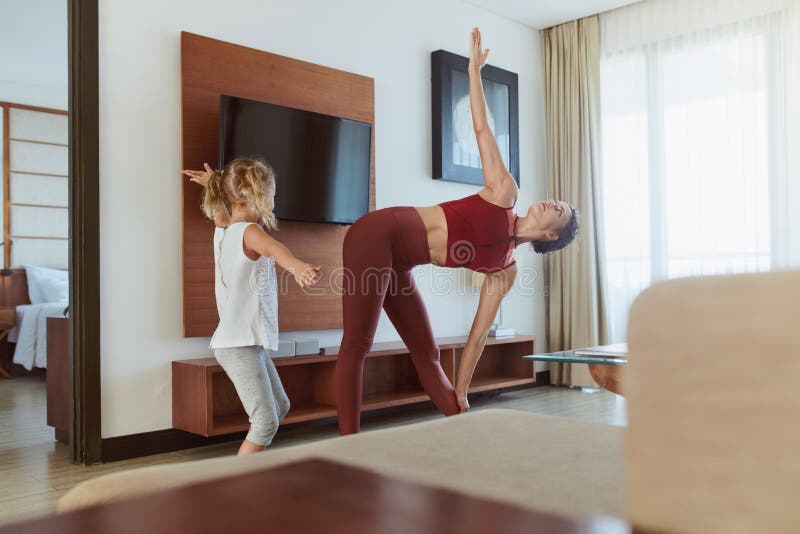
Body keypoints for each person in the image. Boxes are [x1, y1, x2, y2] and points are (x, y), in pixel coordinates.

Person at [334, 28, 580, 435]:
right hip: (374, 235)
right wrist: (473, 73)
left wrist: (463, 391)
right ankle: (347, 447)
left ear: (553, 235)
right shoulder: (505, 193)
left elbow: (479, 334)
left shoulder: (506, 269)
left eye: (561, 211)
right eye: (557, 200)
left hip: (398, 263)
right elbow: (483, 132)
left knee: (428, 353)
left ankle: (461, 424)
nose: (554, 202)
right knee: (358, 344)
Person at [183, 158, 321, 455]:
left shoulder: (223, 231)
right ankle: (239, 488)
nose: (273, 203)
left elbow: (221, 214)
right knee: (265, 422)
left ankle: (256, 471)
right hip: (238, 343)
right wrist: (297, 267)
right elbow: (275, 249)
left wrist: (214, 186)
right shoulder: (249, 232)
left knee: (280, 407)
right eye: (272, 197)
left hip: (242, 341)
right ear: (258, 196)